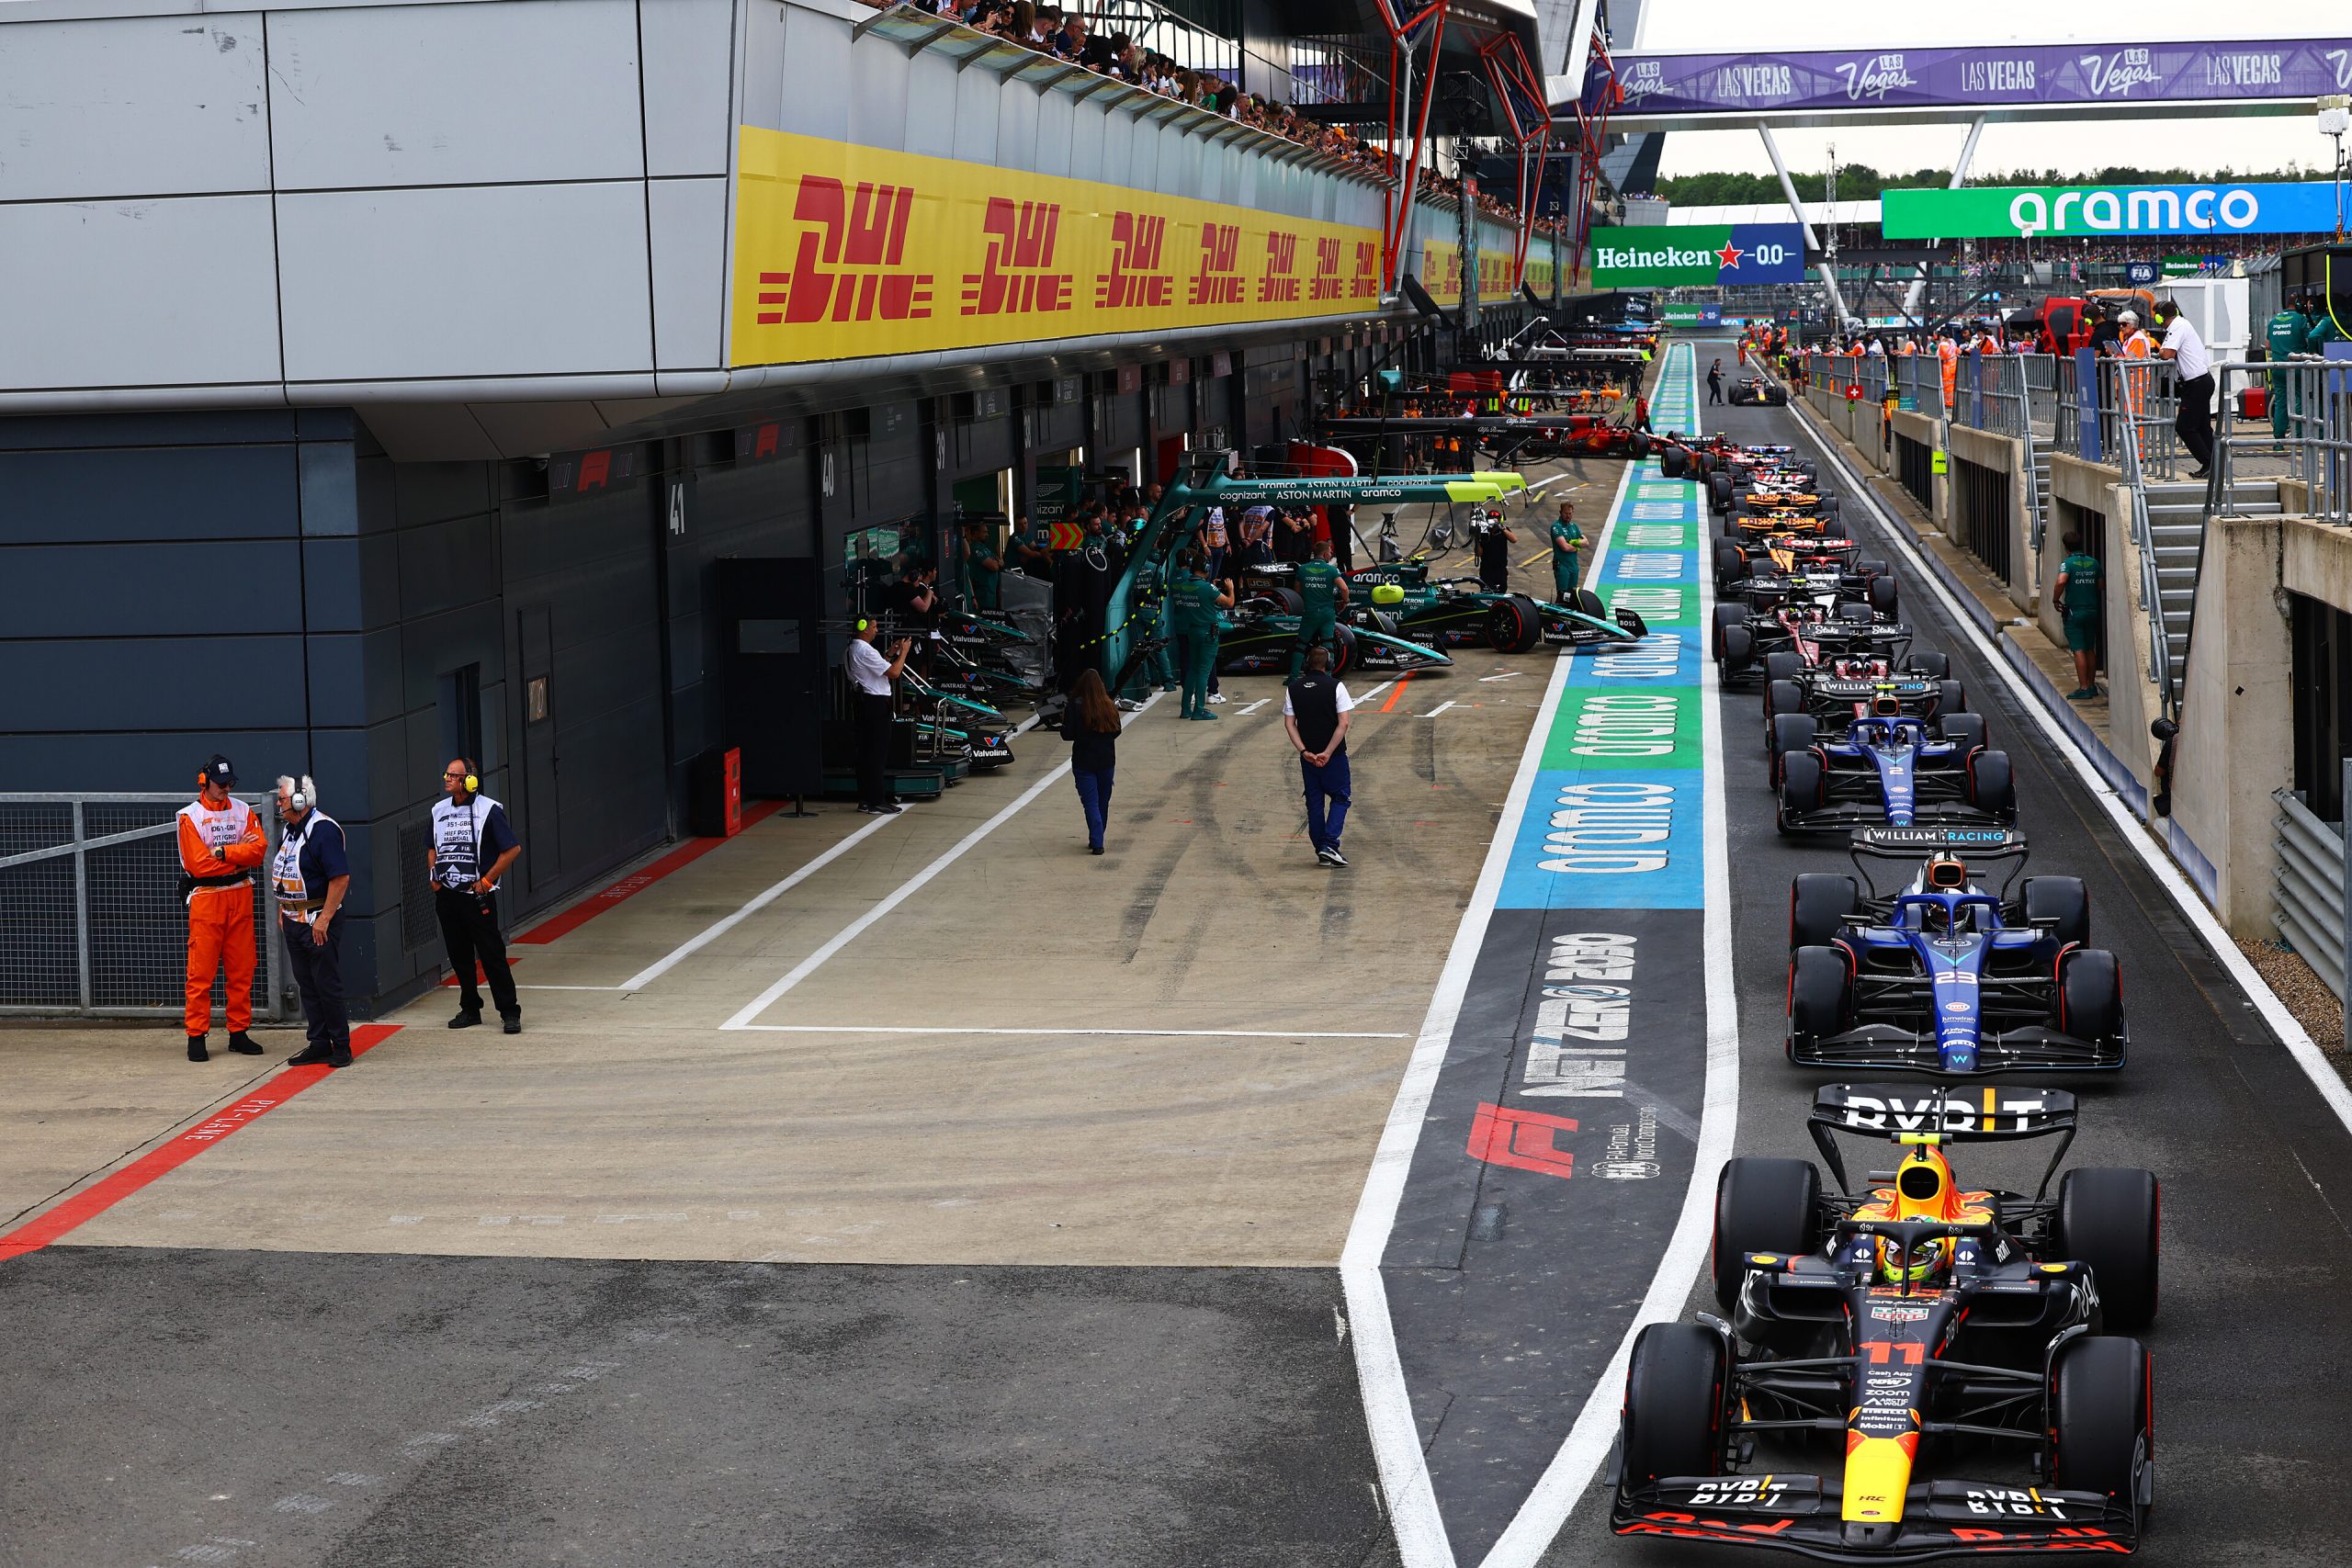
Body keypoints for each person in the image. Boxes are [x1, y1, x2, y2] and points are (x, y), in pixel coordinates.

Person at [176, 753, 266, 1063]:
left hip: (240, 896)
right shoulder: (191, 816)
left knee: (242, 970)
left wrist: (222, 852)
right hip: (206, 899)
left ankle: (238, 1033)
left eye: (230, 783)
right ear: (205, 782)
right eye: (221, 783)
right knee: (200, 972)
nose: (226, 788)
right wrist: (238, 853)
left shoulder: (243, 811)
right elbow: (198, 863)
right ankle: (196, 1035)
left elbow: (259, 851)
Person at [430, 759, 524, 1035]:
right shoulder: (438, 810)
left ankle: (509, 1012)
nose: (446, 778)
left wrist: (486, 881)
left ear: (468, 781)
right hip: (448, 896)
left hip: (477, 896)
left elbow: (512, 849)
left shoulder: (489, 810)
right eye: (446, 773)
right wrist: (434, 878)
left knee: (492, 954)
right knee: (459, 956)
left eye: (452, 775)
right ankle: (470, 1007)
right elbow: (430, 845)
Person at [271, 774, 353, 1069]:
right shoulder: (291, 831)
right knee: (307, 984)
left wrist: (325, 918)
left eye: (282, 798)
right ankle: (318, 1042)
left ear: (299, 801)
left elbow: (340, 878)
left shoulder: (323, 831)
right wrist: (285, 909)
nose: (278, 803)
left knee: (326, 984)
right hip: (294, 919)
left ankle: (340, 1045)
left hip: (318, 919)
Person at [1283, 645, 1355, 868]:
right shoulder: (1336, 686)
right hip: (1332, 756)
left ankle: (1322, 849)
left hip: (1308, 759)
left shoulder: (1293, 688)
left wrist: (1304, 751)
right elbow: (1343, 723)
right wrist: (1328, 752)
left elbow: (1289, 723)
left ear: (1306, 664)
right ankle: (1329, 844)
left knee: (1314, 804)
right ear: (1329, 664)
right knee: (1341, 798)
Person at [846, 615, 913, 814]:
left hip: (865, 704)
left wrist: (891, 653)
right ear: (863, 628)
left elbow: (877, 668)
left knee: (866, 753)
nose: (876, 630)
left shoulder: (853, 648)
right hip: (874, 705)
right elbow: (894, 673)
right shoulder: (864, 650)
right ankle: (876, 800)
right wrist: (904, 654)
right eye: (874, 627)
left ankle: (866, 799)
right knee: (876, 754)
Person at [1059, 667, 1121, 854]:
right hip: (1106, 760)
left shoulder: (1075, 706)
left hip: (1084, 761)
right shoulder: (1109, 705)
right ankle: (1097, 837)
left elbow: (1067, 734)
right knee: (1103, 801)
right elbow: (1117, 730)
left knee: (1090, 802)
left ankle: (1097, 841)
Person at [2154, 299, 2214, 479]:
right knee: (2202, 427)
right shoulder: (2181, 324)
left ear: (2159, 317)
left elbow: (2167, 353)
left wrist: (2159, 352)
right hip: (2200, 382)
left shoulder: (2178, 327)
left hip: (2196, 383)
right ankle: (2214, 464)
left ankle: (2208, 462)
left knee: (2185, 427)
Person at [1170, 550, 1232, 720]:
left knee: (1192, 670)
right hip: (1207, 632)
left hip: (1192, 630)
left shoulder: (1184, 586)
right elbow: (1229, 602)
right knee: (1204, 672)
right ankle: (1199, 709)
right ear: (1205, 567)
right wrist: (1231, 589)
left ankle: (1185, 709)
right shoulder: (1207, 588)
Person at [2054, 530, 2102, 701]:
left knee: (2078, 649)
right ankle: (2091, 685)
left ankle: (2083, 687)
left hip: (2074, 612)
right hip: (2091, 610)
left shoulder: (2068, 564)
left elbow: (2061, 581)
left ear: (2066, 547)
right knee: (2090, 648)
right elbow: (2101, 585)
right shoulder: (2094, 563)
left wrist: (2055, 599)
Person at [1290, 539, 1348, 676]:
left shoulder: (1302, 569)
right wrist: (1345, 601)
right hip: (1327, 612)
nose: (1331, 555)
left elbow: (1297, 591)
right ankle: (1328, 676)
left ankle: (1293, 677)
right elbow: (1344, 588)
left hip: (1310, 611)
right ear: (1325, 554)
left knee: (1301, 645)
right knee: (1328, 644)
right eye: (1330, 552)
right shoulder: (1332, 570)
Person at [2265, 292, 2312, 448]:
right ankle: (2298, 436)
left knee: (2280, 401)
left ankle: (2278, 440)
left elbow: (2269, 345)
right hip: (2297, 366)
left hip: (2278, 367)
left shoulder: (2273, 321)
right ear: (2298, 304)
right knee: (2300, 399)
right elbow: (2311, 338)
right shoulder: (2300, 319)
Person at [961, 519, 1002, 612]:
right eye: (984, 532)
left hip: (992, 593)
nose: (987, 535)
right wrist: (996, 562)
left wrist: (996, 561)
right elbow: (994, 566)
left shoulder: (985, 548)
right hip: (982, 594)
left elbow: (1001, 561)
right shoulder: (975, 548)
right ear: (975, 533)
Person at [1474, 508, 1517, 592]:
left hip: (1500, 569)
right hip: (1487, 570)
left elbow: (1514, 539)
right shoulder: (1484, 533)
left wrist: (1501, 527)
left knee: (1502, 592)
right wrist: (1477, 539)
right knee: (1487, 593)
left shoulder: (1503, 531)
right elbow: (1479, 553)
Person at [1549, 501, 1584, 603]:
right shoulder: (1556, 527)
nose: (1568, 516)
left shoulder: (1574, 526)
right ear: (1561, 512)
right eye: (1566, 513)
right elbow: (1565, 547)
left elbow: (1586, 542)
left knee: (1572, 594)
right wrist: (1578, 546)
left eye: (1570, 513)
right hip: (1562, 566)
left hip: (1573, 565)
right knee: (1562, 595)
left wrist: (1573, 543)